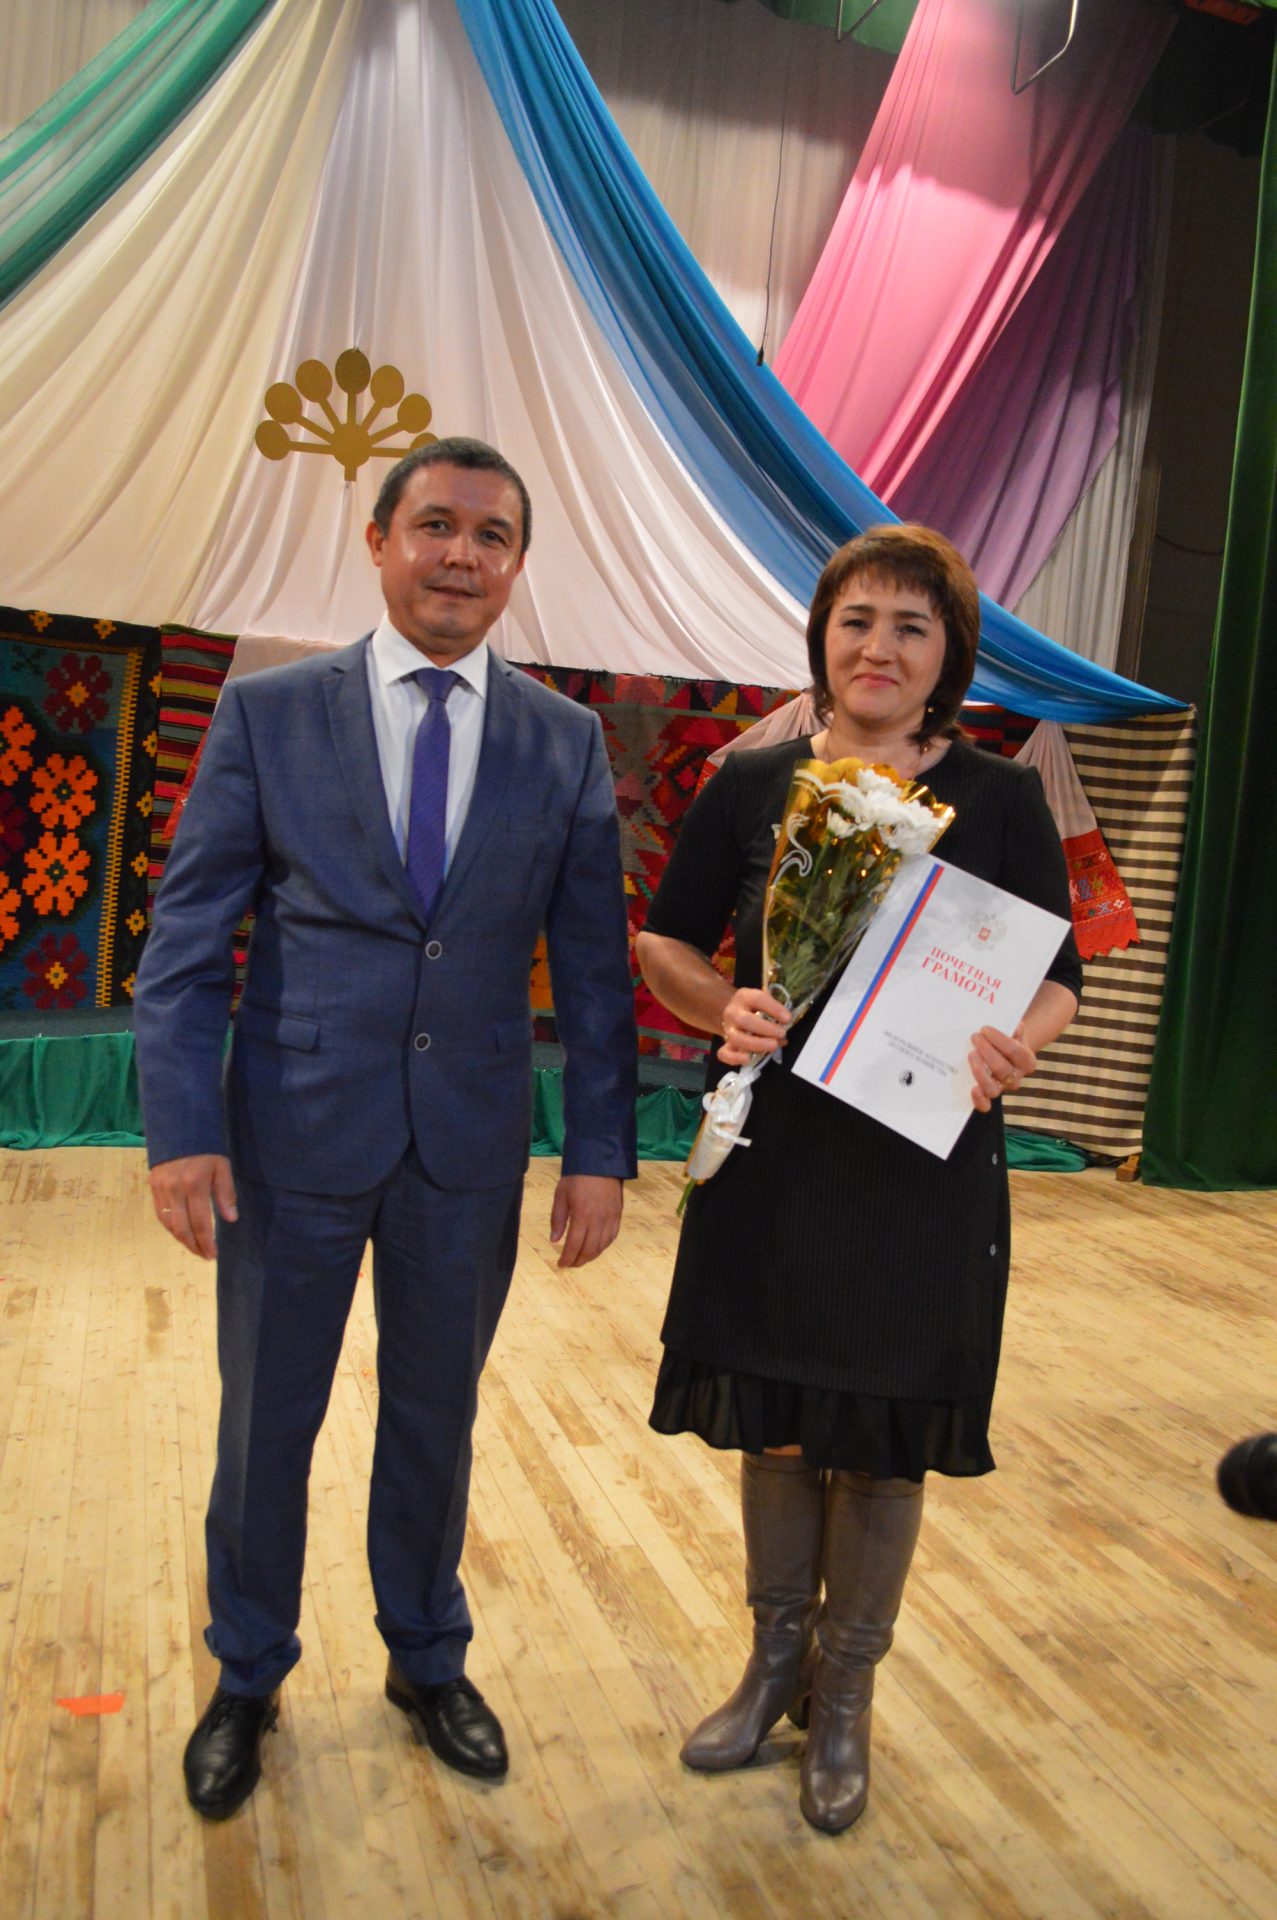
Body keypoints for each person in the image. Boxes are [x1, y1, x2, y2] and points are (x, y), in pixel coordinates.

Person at [134, 437, 637, 1820]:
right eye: (435, 526)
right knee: (267, 1422)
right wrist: (180, 1128)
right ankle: (247, 1672)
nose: (460, 555)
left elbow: (595, 972)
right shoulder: (270, 714)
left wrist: (598, 1151)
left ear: (516, 565)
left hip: (465, 1147)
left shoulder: (564, 740)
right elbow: (186, 944)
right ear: (379, 541)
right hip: (289, 1137)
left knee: (435, 1416)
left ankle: (427, 1657)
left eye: (491, 535)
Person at [635, 524, 1080, 1835]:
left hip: (921, 1169)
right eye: (856, 620)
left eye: (910, 626)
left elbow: (1056, 975)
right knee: (776, 1419)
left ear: (949, 654)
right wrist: (718, 1005)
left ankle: (845, 1699)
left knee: (884, 1437)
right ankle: (774, 1664)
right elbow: (666, 939)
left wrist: (1018, 1043)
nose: (878, 647)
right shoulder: (751, 782)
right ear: (822, 638)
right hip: (773, 1159)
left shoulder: (1001, 801)